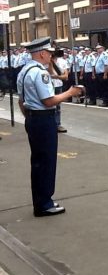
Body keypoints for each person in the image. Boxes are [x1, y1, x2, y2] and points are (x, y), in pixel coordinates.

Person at [16, 37, 82, 217]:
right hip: (43, 119)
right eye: (50, 53)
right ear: (42, 53)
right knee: (46, 162)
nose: (51, 56)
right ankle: (44, 203)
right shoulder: (40, 73)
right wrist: (70, 92)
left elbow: (22, 101)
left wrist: (30, 118)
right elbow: (49, 101)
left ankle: (41, 200)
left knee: (38, 162)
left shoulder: (24, 71)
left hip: (33, 119)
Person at [48, 49, 69, 133]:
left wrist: (56, 77)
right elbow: (49, 72)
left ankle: (57, 124)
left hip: (58, 85)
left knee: (57, 106)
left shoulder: (63, 61)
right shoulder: (47, 61)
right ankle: (49, 124)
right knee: (49, 105)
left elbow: (66, 76)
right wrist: (51, 62)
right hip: (49, 86)